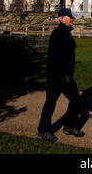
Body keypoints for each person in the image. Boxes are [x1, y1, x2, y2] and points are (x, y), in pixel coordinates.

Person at [37, 8, 84, 141]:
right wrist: (65, 75)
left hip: (63, 75)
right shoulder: (59, 34)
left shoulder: (65, 33)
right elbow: (56, 58)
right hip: (58, 76)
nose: (73, 19)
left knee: (73, 101)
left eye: (73, 17)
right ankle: (44, 130)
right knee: (54, 102)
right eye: (70, 17)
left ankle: (66, 126)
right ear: (62, 18)